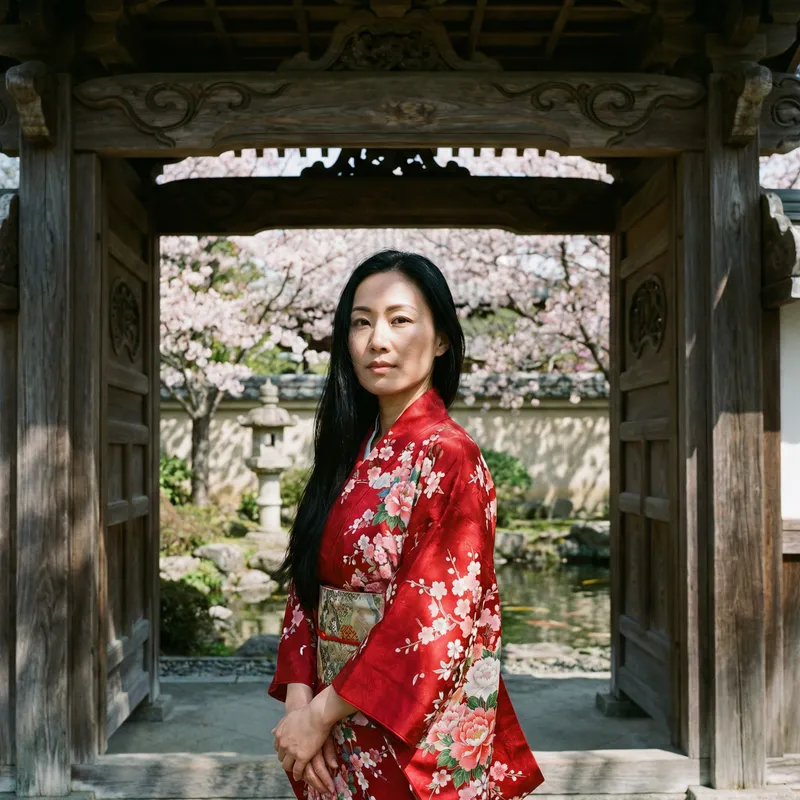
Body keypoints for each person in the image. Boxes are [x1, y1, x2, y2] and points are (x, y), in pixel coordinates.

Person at [269, 250, 544, 800]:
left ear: (441, 338)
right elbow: (307, 586)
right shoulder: (347, 453)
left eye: (400, 320)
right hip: (332, 726)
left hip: (411, 728)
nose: (377, 340)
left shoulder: (452, 457)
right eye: (362, 321)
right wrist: (300, 706)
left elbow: (434, 615)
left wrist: (321, 712)